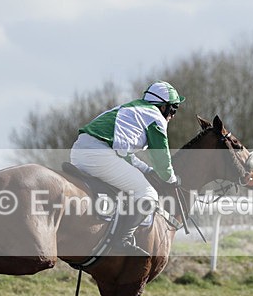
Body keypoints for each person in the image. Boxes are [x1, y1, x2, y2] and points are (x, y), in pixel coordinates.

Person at [69, 81, 184, 256]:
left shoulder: (133, 109)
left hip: (79, 151)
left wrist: (145, 169)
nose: (174, 115)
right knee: (148, 194)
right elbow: (161, 159)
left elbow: (124, 153)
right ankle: (122, 239)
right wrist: (172, 179)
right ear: (163, 107)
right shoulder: (156, 118)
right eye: (173, 109)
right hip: (99, 155)